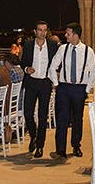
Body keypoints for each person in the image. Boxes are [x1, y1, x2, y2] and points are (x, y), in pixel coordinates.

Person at [47, 22, 95, 160]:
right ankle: (60, 150)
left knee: (77, 119)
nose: (65, 35)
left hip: (79, 89)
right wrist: (57, 84)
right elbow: (52, 67)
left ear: (75, 35)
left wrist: (86, 89)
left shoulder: (88, 51)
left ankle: (76, 145)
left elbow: (93, 71)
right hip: (64, 88)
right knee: (62, 119)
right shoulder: (63, 49)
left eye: (68, 33)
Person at [21, 20, 58, 157]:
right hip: (31, 82)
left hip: (45, 83)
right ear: (35, 31)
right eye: (40, 30)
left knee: (43, 116)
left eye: (44, 30)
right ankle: (33, 135)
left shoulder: (53, 45)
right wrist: (26, 69)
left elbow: (56, 63)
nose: (42, 32)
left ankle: (40, 147)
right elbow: (23, 62)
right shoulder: (28, 45)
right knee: (27, 113)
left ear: (47, 31)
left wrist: (55, 79)